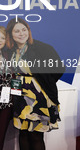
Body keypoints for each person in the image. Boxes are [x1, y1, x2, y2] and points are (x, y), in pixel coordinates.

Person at [6, 18, 65, 150]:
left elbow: (59, 68)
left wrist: (41, 84)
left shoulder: (41, 48)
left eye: (24, 29)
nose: (21, 33)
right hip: (20, 98)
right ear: (10, 34)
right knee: (23, 132)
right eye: (17, 31)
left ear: (28, 31)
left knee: (36, 135)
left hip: (38, 99)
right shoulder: (10, 51)